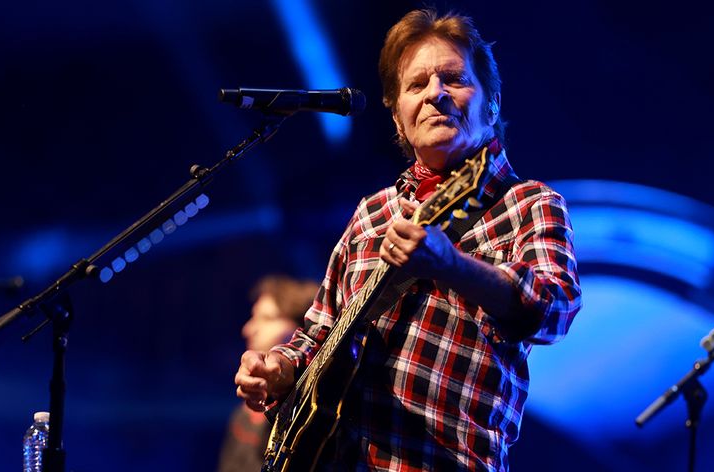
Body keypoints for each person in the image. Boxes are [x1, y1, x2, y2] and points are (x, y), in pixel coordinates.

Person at [235, 8, 582, 471]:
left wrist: (452, 265)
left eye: (453, 78)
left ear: (492, 102)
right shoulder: (372, 214)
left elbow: (554, 310)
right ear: (398, 118)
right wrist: (278, 368)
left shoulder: (529, 204)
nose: (435, 93)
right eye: (416, 86)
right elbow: (317, 331)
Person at [217, 276, 318, 472]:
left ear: (301, 331)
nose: (248, 329)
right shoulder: (241, 417)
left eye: (266, 318)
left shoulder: (314, 415)